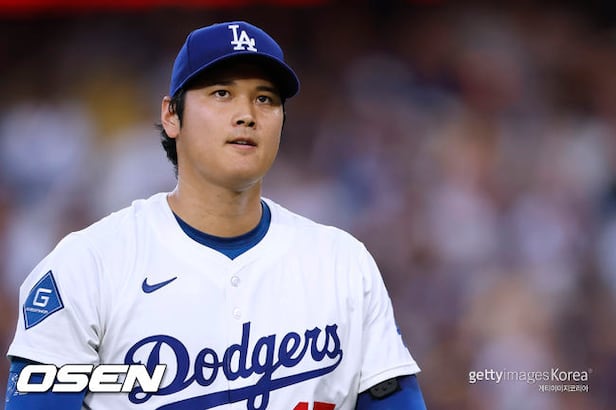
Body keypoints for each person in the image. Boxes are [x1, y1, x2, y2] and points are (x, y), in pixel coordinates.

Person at [4, 21, 427, 409]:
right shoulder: (88, 265)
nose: (247, 115)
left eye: (265, 98)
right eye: (221, 93)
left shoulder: (343, 264)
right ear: (172, 115)